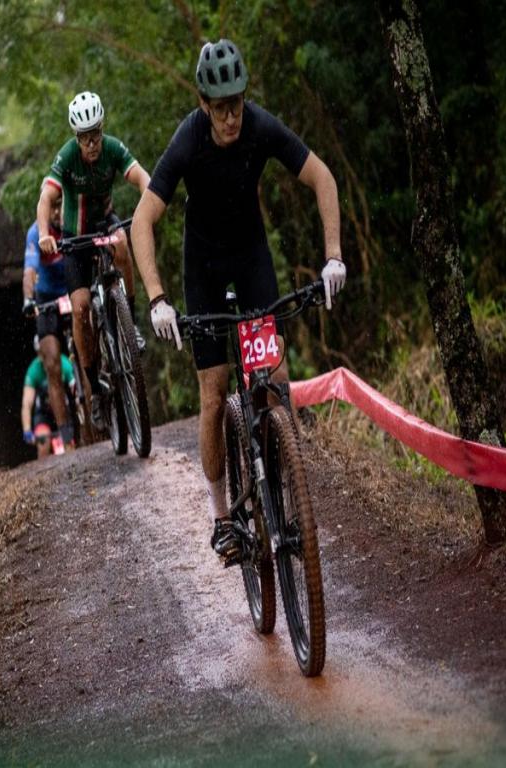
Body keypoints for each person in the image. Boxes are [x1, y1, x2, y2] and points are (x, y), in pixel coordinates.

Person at [131, 39, 347, 562]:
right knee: (214, 392)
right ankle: (222, 516)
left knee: (273, 377)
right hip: (202, 269)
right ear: (204, 104)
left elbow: (322, 176)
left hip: (251, 261)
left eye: (238, 103)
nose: (232, 117)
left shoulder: (259, 126)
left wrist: (333, 255)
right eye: (221, 107)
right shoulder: (188, 140)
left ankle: (281, 478)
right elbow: (142, 222)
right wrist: (158, 298)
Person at [36, 90, 151, 431]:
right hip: (74, 236)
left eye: (96, 135)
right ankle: (95, 389)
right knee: (82, 306)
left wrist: (149, 203)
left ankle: (130, 322)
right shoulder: (67, 156)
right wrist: (45, 232)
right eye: (85, 138)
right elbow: (46, 197)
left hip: (104, 223)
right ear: (77, 138)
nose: (92, 144)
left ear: (102, 129)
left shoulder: (113, 149)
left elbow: (142, 178)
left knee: (122, 242)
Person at [22, 192, 76, 450]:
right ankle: (66, 433)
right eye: (51, 208)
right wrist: (28, 298)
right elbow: (30, 271)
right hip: (46, 297)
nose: (56, 213)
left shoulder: (73, 221)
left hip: (72, 289)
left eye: (59, 207)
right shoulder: (35, 233)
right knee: (52, 361)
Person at [21, 335, 76, 459]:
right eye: (40, 354)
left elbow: (74, 386)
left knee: (70, 443)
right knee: (43, 443)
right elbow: (27, 403)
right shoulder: (34, 370)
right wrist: (27, 430)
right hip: (44, 415)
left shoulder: (63, 362)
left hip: (63, 410)